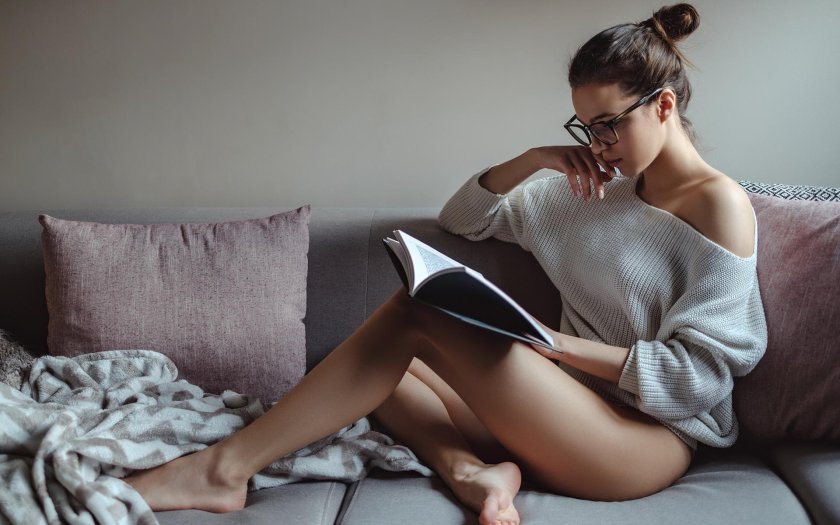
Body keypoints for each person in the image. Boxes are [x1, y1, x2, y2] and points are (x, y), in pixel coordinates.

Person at [125, 4, 767, 525]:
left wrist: (553, 347)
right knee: (374, 374)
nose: (598, 146)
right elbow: (464, 217)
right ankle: (473, 473)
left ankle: (222, 471)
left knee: (413, 315)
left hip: (644, 442)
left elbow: (701, 380)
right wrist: (533, 160)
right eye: (585, 129)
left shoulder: (720, 206)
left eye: (609, 127)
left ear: (663, 106)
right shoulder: (590, 192)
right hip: (562, 414)